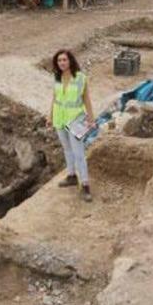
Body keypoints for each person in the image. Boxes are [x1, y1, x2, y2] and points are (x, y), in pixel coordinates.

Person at [50, 49, 95, 202]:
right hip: (59, 118)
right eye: (59, 60)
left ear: (70, 61)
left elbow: (86, 99)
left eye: (64, 60)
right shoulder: (57, 77)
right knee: (67, 149)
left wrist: (91, 118)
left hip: (76, 119)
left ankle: (85, 185)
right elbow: (55, 99)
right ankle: (71, 176)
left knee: (79, 152)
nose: (62, 63)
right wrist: (50, 116)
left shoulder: (80, 78)